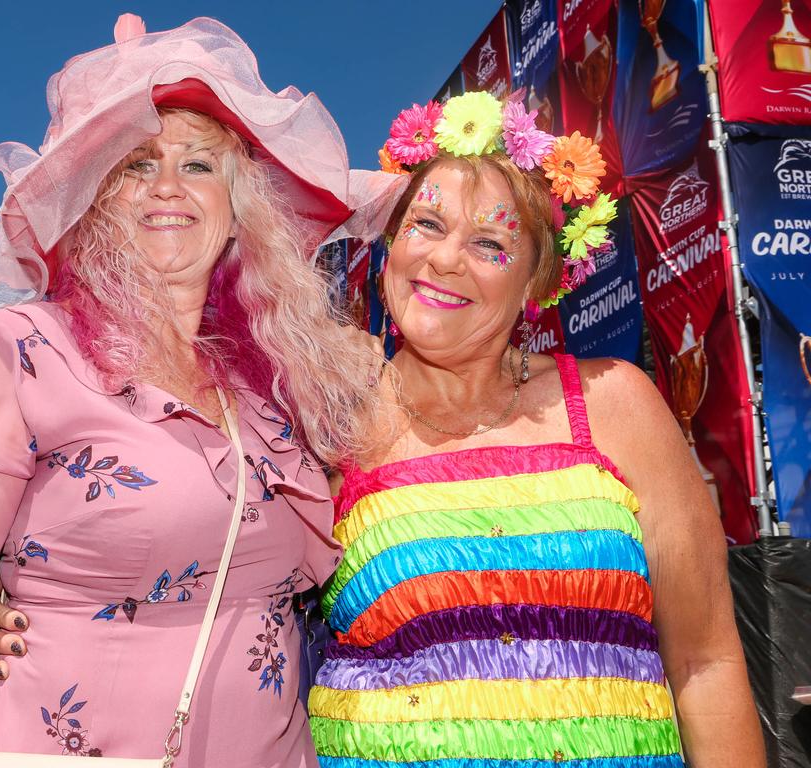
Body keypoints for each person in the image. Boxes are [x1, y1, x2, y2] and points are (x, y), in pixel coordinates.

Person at [0, 15, 399, 767]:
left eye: (200, 166)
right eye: (138, 163)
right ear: (96, 199)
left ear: (241, 209)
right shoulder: (17, 356)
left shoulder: (270, 391)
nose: (168, 186)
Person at [305, 93, 765, 767]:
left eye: (489, 242)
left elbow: (704, 661)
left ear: (536, 281)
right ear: (390, 246)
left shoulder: (618, 405)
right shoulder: (329, 419)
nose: (446, 260)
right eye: (427, 225)